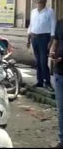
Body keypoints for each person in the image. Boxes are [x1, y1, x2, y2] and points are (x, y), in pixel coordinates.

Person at [27, 0, 56, 91]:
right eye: (37, 0)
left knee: (43, 62)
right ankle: (39, 81)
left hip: (44, 39)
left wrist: (51, 42)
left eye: (41, 0)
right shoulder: (33, 12)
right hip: (34, 38)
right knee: (38, 62)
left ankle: (47, 82)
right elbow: (31, 26)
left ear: (45, 1)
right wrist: (28, 39)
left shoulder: (50, 11)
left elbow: (53, 27)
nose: (39, 2)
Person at [50, 18, 63, 148]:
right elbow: (56, 41)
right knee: (61, 109)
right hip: (59, 72)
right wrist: (52, 52)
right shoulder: (60, 23)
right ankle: (62, 140)